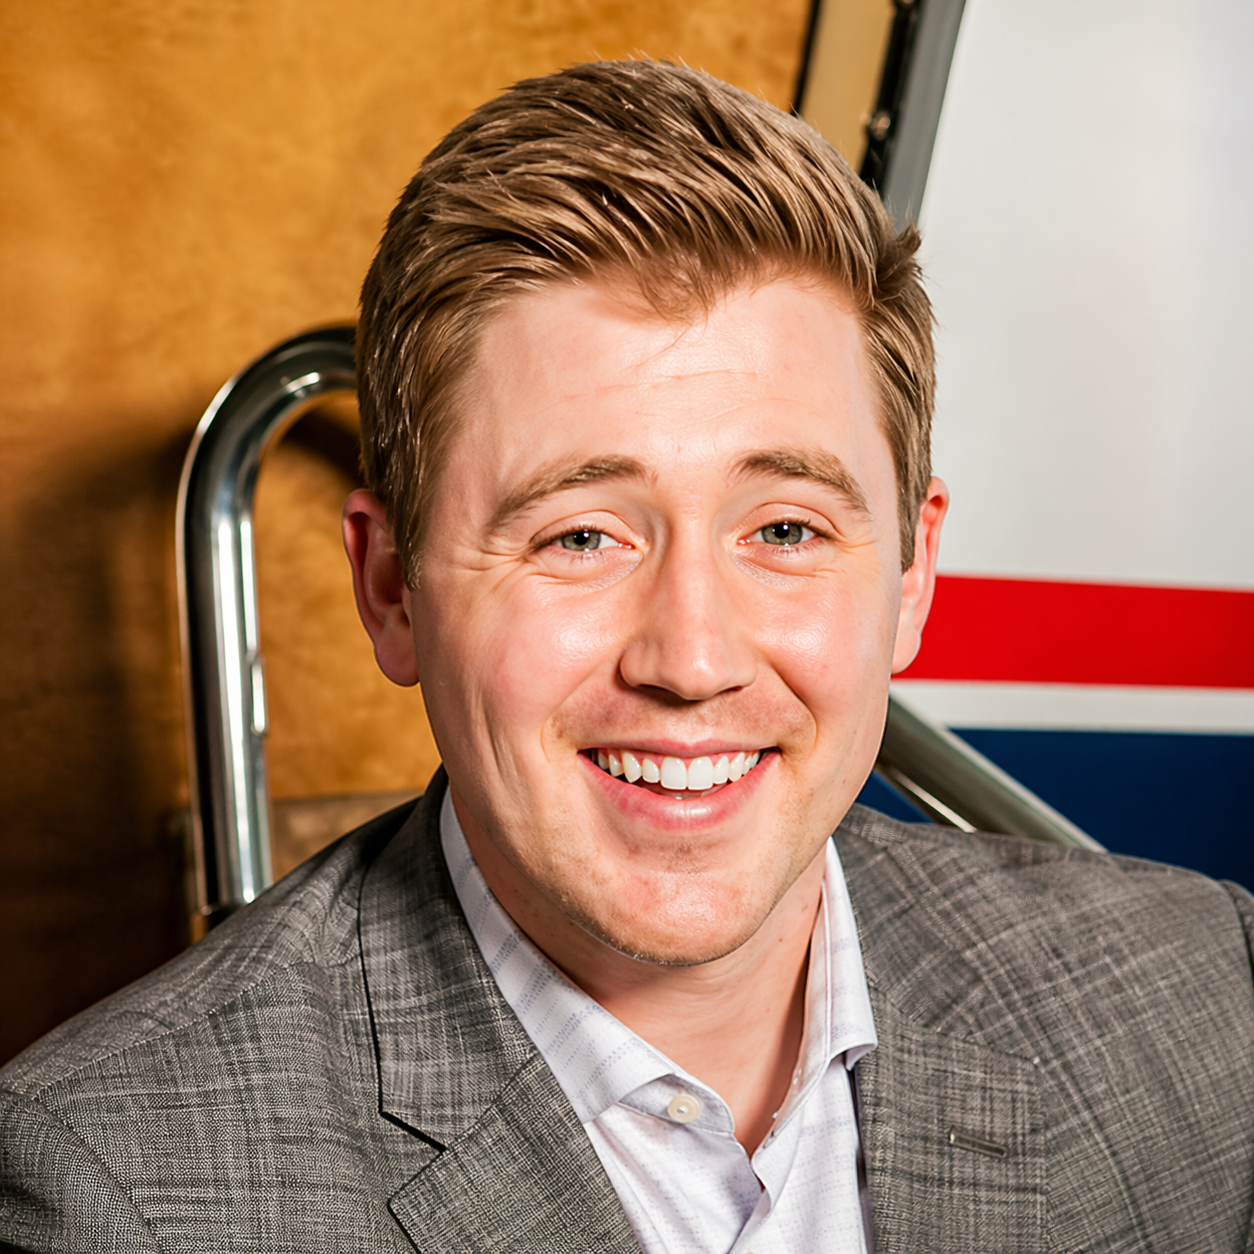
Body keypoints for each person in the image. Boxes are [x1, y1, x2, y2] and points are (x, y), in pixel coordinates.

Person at [2, 59, 1252, 1254]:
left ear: (912, 577)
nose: (694, 659)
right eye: (581, 534)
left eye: (784, 528)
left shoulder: (1210, 1001)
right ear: (392, 587)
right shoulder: (115, 1196)